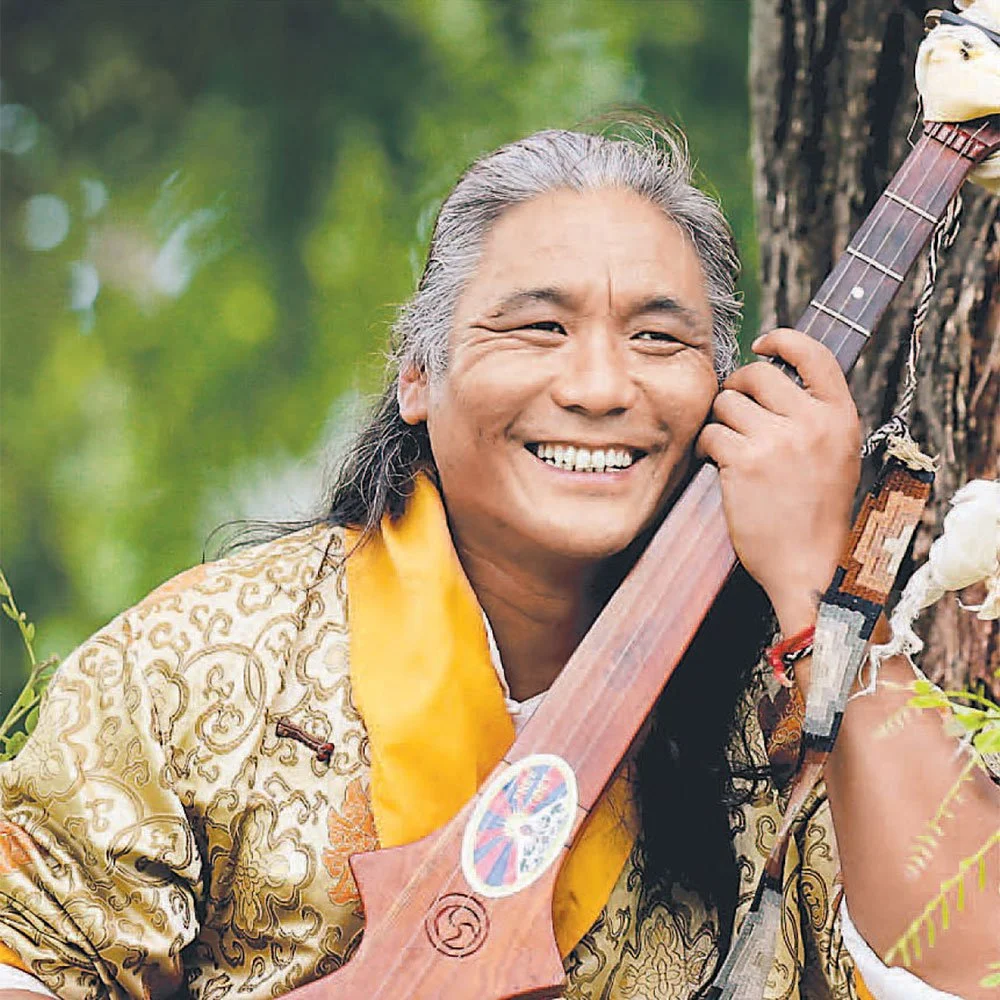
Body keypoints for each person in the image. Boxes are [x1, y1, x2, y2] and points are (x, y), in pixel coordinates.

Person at [0, 124, 996, 1000]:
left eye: (658, 338)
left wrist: (826, 594)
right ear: (418, 375)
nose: (602, 386)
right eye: (538, 327)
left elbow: (973, 964)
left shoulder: (776, 703)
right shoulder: (200, 661)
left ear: (721, 398)